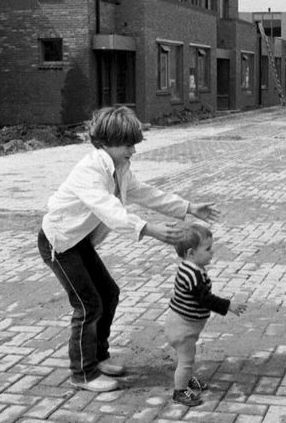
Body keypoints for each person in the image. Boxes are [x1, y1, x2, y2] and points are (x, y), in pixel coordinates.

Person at [38, 106, 220, 393]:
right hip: (59, 243)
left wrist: (187, 208)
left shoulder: (120, 168)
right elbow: (108, 209)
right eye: (127, 144)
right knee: (88, 305)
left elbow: (146, 193)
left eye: (134, 144)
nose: (133, 150)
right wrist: (150, 230)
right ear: (105, 142)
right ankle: (82, 373)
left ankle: (98, 357)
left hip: (79, 241)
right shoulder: (89, 170)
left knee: (108, 293)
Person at [165, 224, 247, 407]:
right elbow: (205, 299)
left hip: (183, 324)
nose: (212, 252)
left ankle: (187, 379)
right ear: (191, 253)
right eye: (208, 249)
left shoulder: (191, 267)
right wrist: (229, 306)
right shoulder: (193, 276)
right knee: (186, 360)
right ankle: (179, 391)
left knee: (188, 357)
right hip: (181, 327)